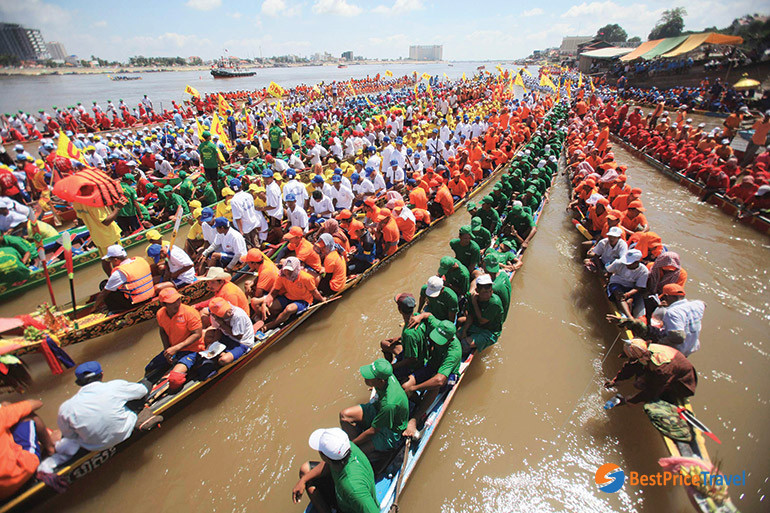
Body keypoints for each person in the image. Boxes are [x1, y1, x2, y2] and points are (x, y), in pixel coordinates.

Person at [37, 361, 161, 473]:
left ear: (79, 382)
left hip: (92, 445)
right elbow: (142, 391)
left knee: (60, 435)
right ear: (101, 374)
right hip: (124, 432)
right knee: (142, 387)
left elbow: (69, 435)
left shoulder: (66, 408)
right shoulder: (114, 386)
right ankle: (142, 415)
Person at [400, 317, 462, 437]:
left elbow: (439, 380)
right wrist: (419, 317)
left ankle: (414, 420)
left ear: (450, 339)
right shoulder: (439, 326)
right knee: (405, 385)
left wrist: (414, 388)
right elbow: (428, 315)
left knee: (435, 384)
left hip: (447, 376)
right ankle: (416, 402)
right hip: (432, 364)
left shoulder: (454, 352)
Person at [292, 427, 379, 513]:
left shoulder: (353, 489)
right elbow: (327, 464)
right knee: (305, 470)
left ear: (325, 457)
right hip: (343, 494)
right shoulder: (347, 447)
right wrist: (303, 480)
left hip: (349, 505)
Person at [339, 358, 408, 460]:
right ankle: (356, 443)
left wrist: (351, 446)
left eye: (370, 377)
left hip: (390, 430)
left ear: (380, 381)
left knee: (354, 455)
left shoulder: (389, 404)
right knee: (344, 415)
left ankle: (378, 454)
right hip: (378, 408)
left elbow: (373, 430)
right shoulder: (387, 376)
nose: (365, 378)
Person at [144, 288, 205, 390]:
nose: (177, 304)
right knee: (149, 368)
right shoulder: (160, 314)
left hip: (192, 350)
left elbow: (197, 334)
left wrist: (176, 348)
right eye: (172, 302)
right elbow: (162, 331)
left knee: (175, 380)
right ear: (164, 305)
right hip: (174, 349)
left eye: (178, 300)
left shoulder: (190, 313)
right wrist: (167, 350)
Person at [604, 338, 697, 405]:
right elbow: (631, 366)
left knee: (641, 386)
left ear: (641, 358)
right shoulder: (646, 349)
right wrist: (616, 380)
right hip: (668, 371)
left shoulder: (661, 370)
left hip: (682, 383)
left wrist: (627, 400)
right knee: (638, 377)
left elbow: (651, 391)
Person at [0, 399, 58, 499]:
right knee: (28, 416)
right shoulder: (2, 414)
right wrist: (7, 407)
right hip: (22, 472)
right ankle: (50, 448)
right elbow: (37, 403)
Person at [253, 257, 325, 333]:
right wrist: (265, 303)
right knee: (272, 307)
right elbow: (273, 292)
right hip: (289, 297)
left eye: (290, 270)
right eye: (286, 270)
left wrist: (322, 300)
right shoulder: (281, 276)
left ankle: (271, 325)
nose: (287, 272)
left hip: (303, 300)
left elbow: (315, 292)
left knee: (289, 309)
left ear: (296, 269)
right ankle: (273, 318)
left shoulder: (307, 278)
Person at [380, 293, 428, 380]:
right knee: (384, 343)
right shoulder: (418, 316)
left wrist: (393, 366)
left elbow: (412, 359)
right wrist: (399, 338)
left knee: (384, 376)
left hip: (413, 365)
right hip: (417, 351)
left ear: (399, 309)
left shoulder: (408, 334)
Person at [94, 244, 155, 313]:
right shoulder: (140, 260)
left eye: (111, 260)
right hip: (149, 296)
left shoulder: (119, 272)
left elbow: (104, 293)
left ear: (116, 260)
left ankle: (115, 310)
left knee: (104, 284)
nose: (111, 263)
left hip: (135, 302)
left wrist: (94, 307)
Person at [460, 274, 504, 352]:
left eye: (490, 291)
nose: (488, 294)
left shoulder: (494, 303)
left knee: (464, 344)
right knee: (456, 336)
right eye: (485, 292)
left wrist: (474, 303)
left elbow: (482, 320)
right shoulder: (472, 297)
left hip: (489, 332)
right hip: (476, 325)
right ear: (477, 291)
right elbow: (470, 316)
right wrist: (464, 331)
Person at [205, 297, 255, 366]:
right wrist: (213, 344)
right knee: (207, 336)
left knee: (223, 360)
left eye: (226, 310)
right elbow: (218, 330)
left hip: (242, 342)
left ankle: (221, 356)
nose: (228, 313)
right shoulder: (214, 316)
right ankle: (218, 355)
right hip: (227, 337)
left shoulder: (238, 315)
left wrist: (222, 324)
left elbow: (238, 336)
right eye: (223, 313)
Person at [606, 249, 648, 319]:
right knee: (619, 295)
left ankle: (626, 315)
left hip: (631, 287)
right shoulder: (618, 263)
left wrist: (628, 294)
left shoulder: (644, 271)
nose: (626, 264)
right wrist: (607, 281)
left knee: (629, 302)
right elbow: (609, 272)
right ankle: (629, 317)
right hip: (617, 283)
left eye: (629, 263)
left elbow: (638, 287)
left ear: (637, 262)